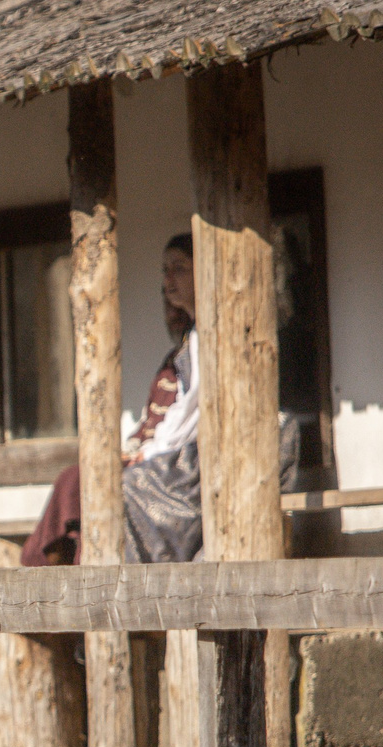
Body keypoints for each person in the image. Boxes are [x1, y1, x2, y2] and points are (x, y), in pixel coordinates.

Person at [23, 233, 297, 567]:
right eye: (165, 270)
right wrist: (136, 447)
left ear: (205, 269)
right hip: (172, 454)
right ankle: (54, 583)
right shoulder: (191, 340)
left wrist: (145, 454)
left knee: (103, 487)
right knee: (76, 482)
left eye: (179, 268)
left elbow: (192, 415)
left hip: (193, 466)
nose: (168, 280)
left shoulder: (220, 334)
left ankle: (96, 580)